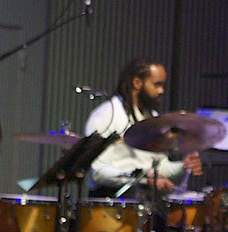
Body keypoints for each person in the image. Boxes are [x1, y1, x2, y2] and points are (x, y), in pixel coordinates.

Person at [84, 58, 202, 199]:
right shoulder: (106, 115)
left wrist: (183, 166)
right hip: (109, 203)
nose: (161, 91)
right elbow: (98, 172)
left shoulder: (153, 118)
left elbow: (160, 167)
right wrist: (144, 179)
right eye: (157, 84)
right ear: (137, 83)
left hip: (143, 203)